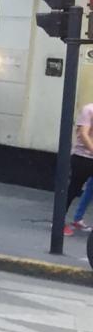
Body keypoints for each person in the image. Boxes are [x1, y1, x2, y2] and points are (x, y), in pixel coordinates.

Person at [64, 101, 93, 236]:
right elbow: (83, 134)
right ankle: (58, 221)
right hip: (83, 158)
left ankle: (77, 219)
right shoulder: (89, 110)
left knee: (90, 190)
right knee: (73, 189)